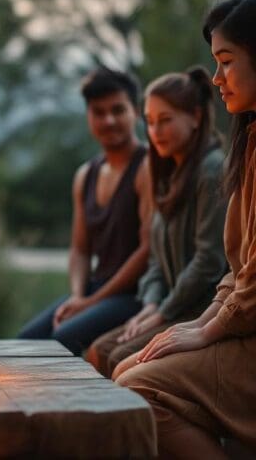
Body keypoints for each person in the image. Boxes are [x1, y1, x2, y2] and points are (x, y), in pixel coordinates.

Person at [116, 0, 256, 458]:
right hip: (229, 321)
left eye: (227, 61)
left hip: (246, 336)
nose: (217, 78)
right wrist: (195, 325)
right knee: (125, 370)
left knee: (132, 387)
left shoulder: (212, 168)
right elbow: (235, 273)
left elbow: (225, 271)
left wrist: (200, 329)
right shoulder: (248, 144)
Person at [86, 68, 228, 377]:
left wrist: (163, 311)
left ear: (195, 117)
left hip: (199, 311)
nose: (155, 131)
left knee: (120, 359)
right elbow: (156, 260)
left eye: (165, 120)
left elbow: (208, 261)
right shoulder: (166, 174)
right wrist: (151, 304)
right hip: (166, 305)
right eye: (149, 122)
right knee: (99, 351)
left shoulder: (212, 171)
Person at [18, 68, 152, 354]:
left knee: (62, 338)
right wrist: (78, 296)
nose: (109, 120)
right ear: (88, 116)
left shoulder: (147, 167)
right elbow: (79, 250)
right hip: (95, 289)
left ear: (136, 112)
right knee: (25, 340)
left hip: (136, 294)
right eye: (98, 112)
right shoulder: (85, 175)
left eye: (118, 110)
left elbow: (147, 249)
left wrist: (90, 303)